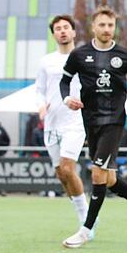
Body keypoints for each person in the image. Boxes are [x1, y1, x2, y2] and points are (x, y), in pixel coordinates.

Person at [59, 6, 127, 249]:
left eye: (110, 25)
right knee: (108, 179)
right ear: (93, 27)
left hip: (114, 121)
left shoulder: (125, 55)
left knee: (97, 173)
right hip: (90, 122)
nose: (107, 29)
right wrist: (67, 99)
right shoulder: (79, 55)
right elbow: (64, 80)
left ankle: (86, 230)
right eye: (102, 25)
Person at [34, 14, 89, 227]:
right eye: (58, 28)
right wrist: (40, 105)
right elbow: (39, 90)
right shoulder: (46, 61)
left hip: (75, 122)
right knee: (61, 174)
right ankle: (81, 213)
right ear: (54, 34)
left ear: (74, 32)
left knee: (67, 168)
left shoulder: (84, 57)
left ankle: (87, 220)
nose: (63, 31)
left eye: (66, 27)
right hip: (51, 123)